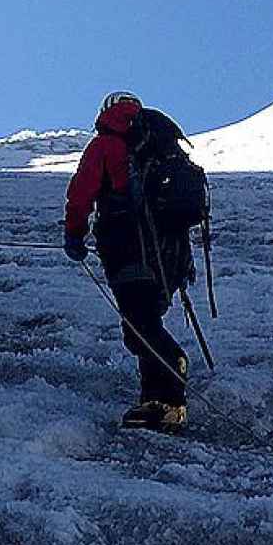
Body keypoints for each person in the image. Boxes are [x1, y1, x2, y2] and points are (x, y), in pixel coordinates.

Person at [64, 91, 196, 432]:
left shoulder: (106, 145)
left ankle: (169, 385)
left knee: (139, 325)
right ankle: (157, 401)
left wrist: (74, 233)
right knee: (144, 320)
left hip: (128, 247)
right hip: (169, 253)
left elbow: (82, 192)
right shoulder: (157, 144)